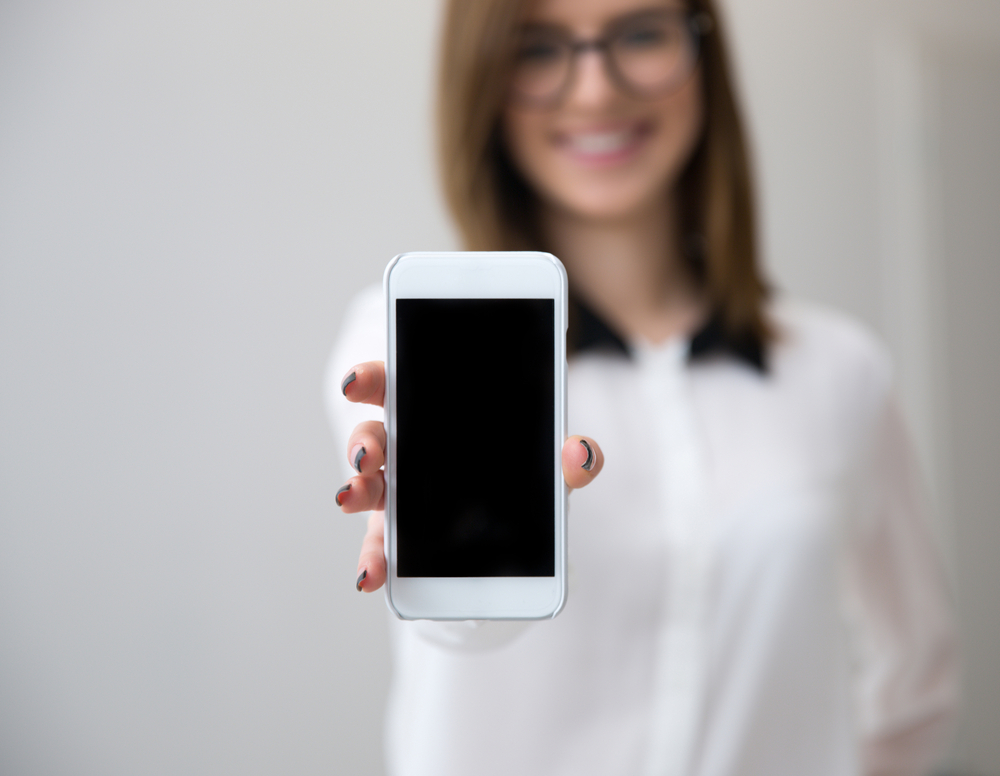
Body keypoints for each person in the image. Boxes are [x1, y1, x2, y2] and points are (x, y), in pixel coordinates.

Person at [326, 0, 959, 774]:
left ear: (704, 52)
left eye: (641, 33)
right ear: (482, 80)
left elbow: (917, 681)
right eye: (536, 49)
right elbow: (466, 631)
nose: (595, 91)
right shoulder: (396, 341)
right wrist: (433, 546)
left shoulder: (840, 369)